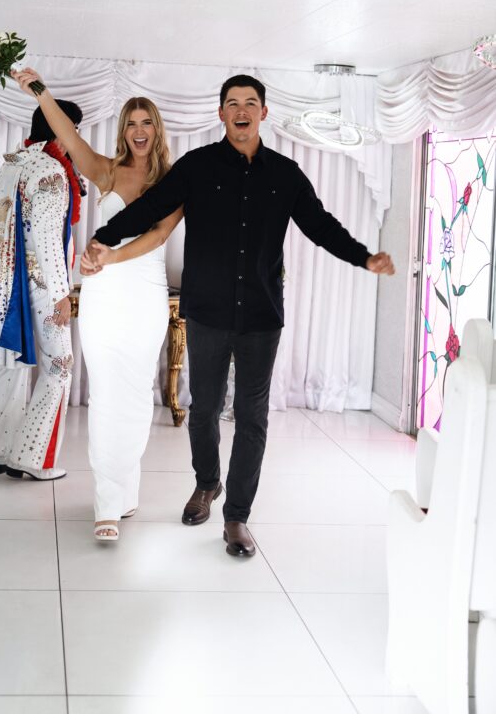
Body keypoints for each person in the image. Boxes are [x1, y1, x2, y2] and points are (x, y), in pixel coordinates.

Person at [85, 74, 395, 558]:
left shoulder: (287, 175)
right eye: (232, 103)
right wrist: (104, 237)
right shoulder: (195, 167)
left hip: (261, 316)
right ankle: (207, 483)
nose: (241, 110)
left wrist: (363, 257)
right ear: (222, 114)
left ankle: (236, 518)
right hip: (207, 311)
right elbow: (149, 207)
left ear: (263, 113)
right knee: (203, 409)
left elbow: (319, 225)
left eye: (250, 103)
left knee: (252, 417)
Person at [13, 67, 183, 542]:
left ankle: (125, 487)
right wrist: (40, 90)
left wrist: (109, 253)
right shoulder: (106, 170)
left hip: (144, 298)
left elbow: (157, 236)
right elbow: (66, 131)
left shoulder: (173, 181)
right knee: (107, 394)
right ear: (123, 130)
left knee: (135, 394)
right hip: (105, 297)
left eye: (146, 122)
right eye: (131, 123)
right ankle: (107, 502)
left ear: (157, 129)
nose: (139, 131)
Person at [0, 99, 83, 481]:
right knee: (60, 365)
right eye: (72, 126)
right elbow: (45, 239)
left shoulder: (12, 162)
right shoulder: (52, 171)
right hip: (43, 285)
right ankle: (31, 456)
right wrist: (64, 293)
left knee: (11, 361)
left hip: (6, 281)